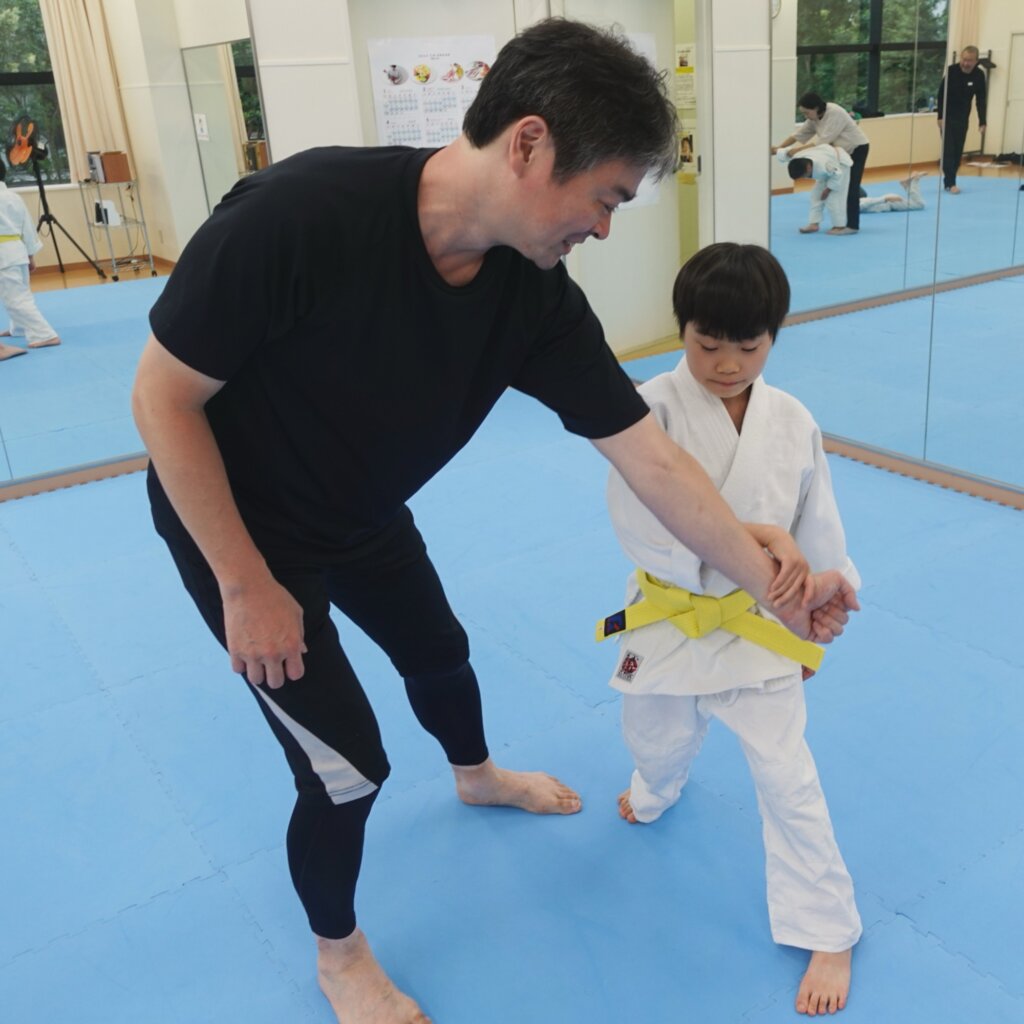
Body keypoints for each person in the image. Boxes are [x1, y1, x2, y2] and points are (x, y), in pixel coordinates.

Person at [131, 19, 856, 1024]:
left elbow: (650, 458)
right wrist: (244, 586)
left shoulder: (533, 299)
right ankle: (339, 956)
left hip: (360, 508)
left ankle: (474, 775)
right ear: (528, 143)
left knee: (440, 651)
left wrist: (776, 587)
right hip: (239, 531)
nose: (605, 228)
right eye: (606, 197)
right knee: (346, 770)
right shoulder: (302, 215)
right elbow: (162, 399)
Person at [604, 243, 862, 1018]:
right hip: (670, 618)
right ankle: (656, 787)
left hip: (761, 625)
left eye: (748, 346)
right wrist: (757, 541)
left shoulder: (793, 421)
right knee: (654, 739)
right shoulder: (649, 410)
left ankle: (828, 929)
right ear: (681, 329)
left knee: (788, 778)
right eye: (706, 342)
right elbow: (641, 526)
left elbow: (817, 530)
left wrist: (817, 610)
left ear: (774, 336)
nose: (725, 363)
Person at [772, 92, 870, 233]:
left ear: (816, 108)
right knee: (818, 193)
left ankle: (852, 226)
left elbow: (822, 142)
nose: (805, 116)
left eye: (806, 112)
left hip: (856, 149)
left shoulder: (835, 113)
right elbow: (798, 135)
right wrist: (778, 149)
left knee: (850, 188)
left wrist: (794, 151)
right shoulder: (813, 118)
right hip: (835, 153)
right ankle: (814, 223)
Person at [0, 160, 60, 361]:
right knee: (18, 293)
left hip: (3, 255)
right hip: (17, 250)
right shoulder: (13, 197)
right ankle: (18, 328)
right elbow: (27, 228)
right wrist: (30, 254)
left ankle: (45, 334)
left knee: (15, 299)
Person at [937, 46, 987, 194]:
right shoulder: (952, 71)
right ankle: (950, 183)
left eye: (969, 61)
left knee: (958, 151)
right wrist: (940, 116)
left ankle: (950, 180)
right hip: (947, 117)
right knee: (948, 150)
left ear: (976, 61)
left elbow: (981, 100)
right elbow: (941, 94)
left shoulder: (979, 75)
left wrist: (982, 121)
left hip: (963, 118)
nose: (965, 63)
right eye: (964, 59)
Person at [784, 144, 854, 234]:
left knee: (834, 198)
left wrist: (828, 190)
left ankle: (839, 226)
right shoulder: (797, 159)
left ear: (808, 168)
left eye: (804, 176)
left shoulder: (824, 165)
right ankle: (814, 224)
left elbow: (837, 175)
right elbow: (783, 155)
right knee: (816, 196)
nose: (804, 178)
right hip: (826, 157)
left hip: (840, 163)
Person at [859, 171, 928, 214]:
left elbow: (867, 203)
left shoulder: (857, 205)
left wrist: (886, 199)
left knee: (919, 205)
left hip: (890, 202)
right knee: (915, 203)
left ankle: (915, 180)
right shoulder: (858, 201)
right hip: (889, 201)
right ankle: (907, 185)